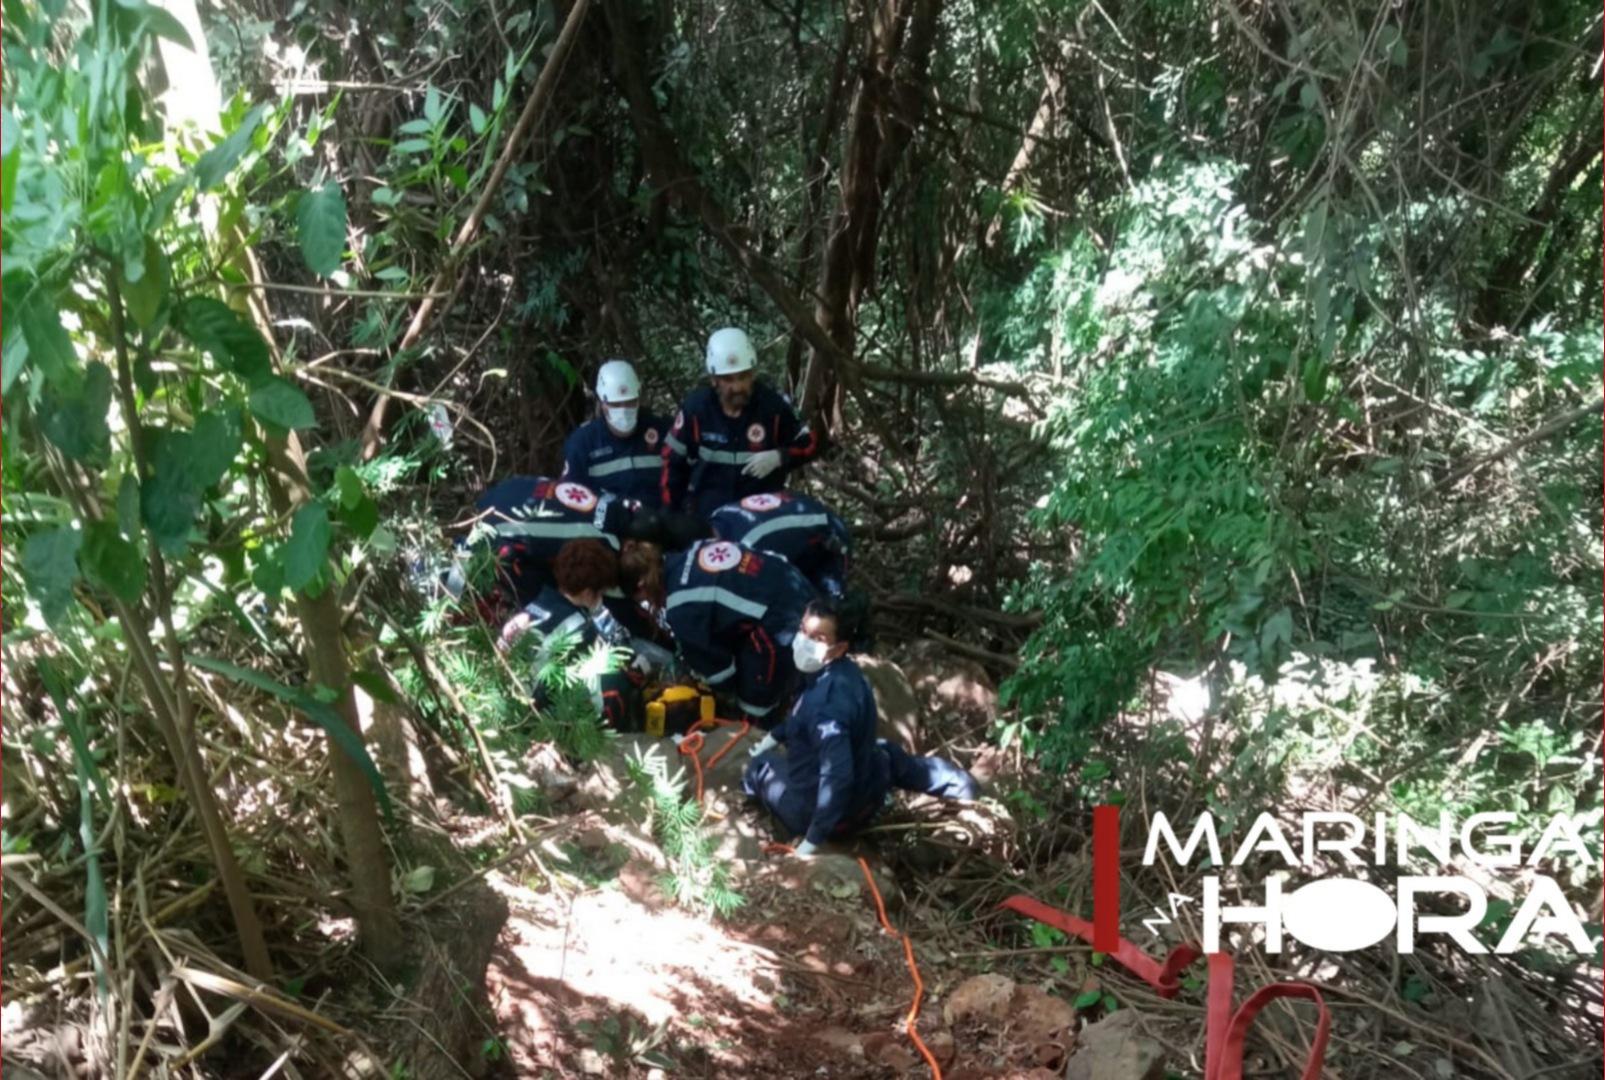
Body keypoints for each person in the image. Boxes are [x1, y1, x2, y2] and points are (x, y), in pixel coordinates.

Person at [742, 596, 980, 856]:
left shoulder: (826, 708)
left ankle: (803, 818)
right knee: (886, 753)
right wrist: (774, 736)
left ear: (839, 647)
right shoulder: (847, 674)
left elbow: (837, 775)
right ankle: (961, 784)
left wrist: (812, 840)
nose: (804, 641)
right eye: (803, 630)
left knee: (759, 767)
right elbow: (802, 717)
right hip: (870, 792)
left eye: (818, 638)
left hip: (827, 815)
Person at [633, 536, 818, 726]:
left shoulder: (681, 609)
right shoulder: (695, 547)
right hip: (797, 586)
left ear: (642, 587)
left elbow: (719, 671)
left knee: (756, 699)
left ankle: (760, 728)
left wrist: (722, 692)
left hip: (782, 618)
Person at [661, 327, 821, 518]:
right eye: (728, 379)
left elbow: (811, 443)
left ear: (753, 374)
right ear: (714, 379)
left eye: (743, 377)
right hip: (708, 516)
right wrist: (673, 511)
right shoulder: (696, 409)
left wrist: (780, 456)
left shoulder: (772, 407)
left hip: (760, 515)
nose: (737, 387)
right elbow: (671, 462)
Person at [496, 539, 647, 730]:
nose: (600, 598)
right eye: (599, 592)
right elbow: (599, 680)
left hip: (505, 698)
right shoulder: (578, 627)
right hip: (530, 716)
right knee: (617, 683)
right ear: (586, 592)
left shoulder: (540, 602)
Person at [562, 360, 671, 507]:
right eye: (615, 404)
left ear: (639, 398)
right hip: (606, 524)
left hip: (658, 520)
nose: (624, 410)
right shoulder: (583, 443)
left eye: (630, 402)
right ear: (602, 403)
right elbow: (570, 496)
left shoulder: (662, 430)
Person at [708, 491, 852, 598]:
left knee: (826, 612)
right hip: (796, 519)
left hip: (827, 535)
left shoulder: (749, 544)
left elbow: (773, 585)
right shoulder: (718, 515)